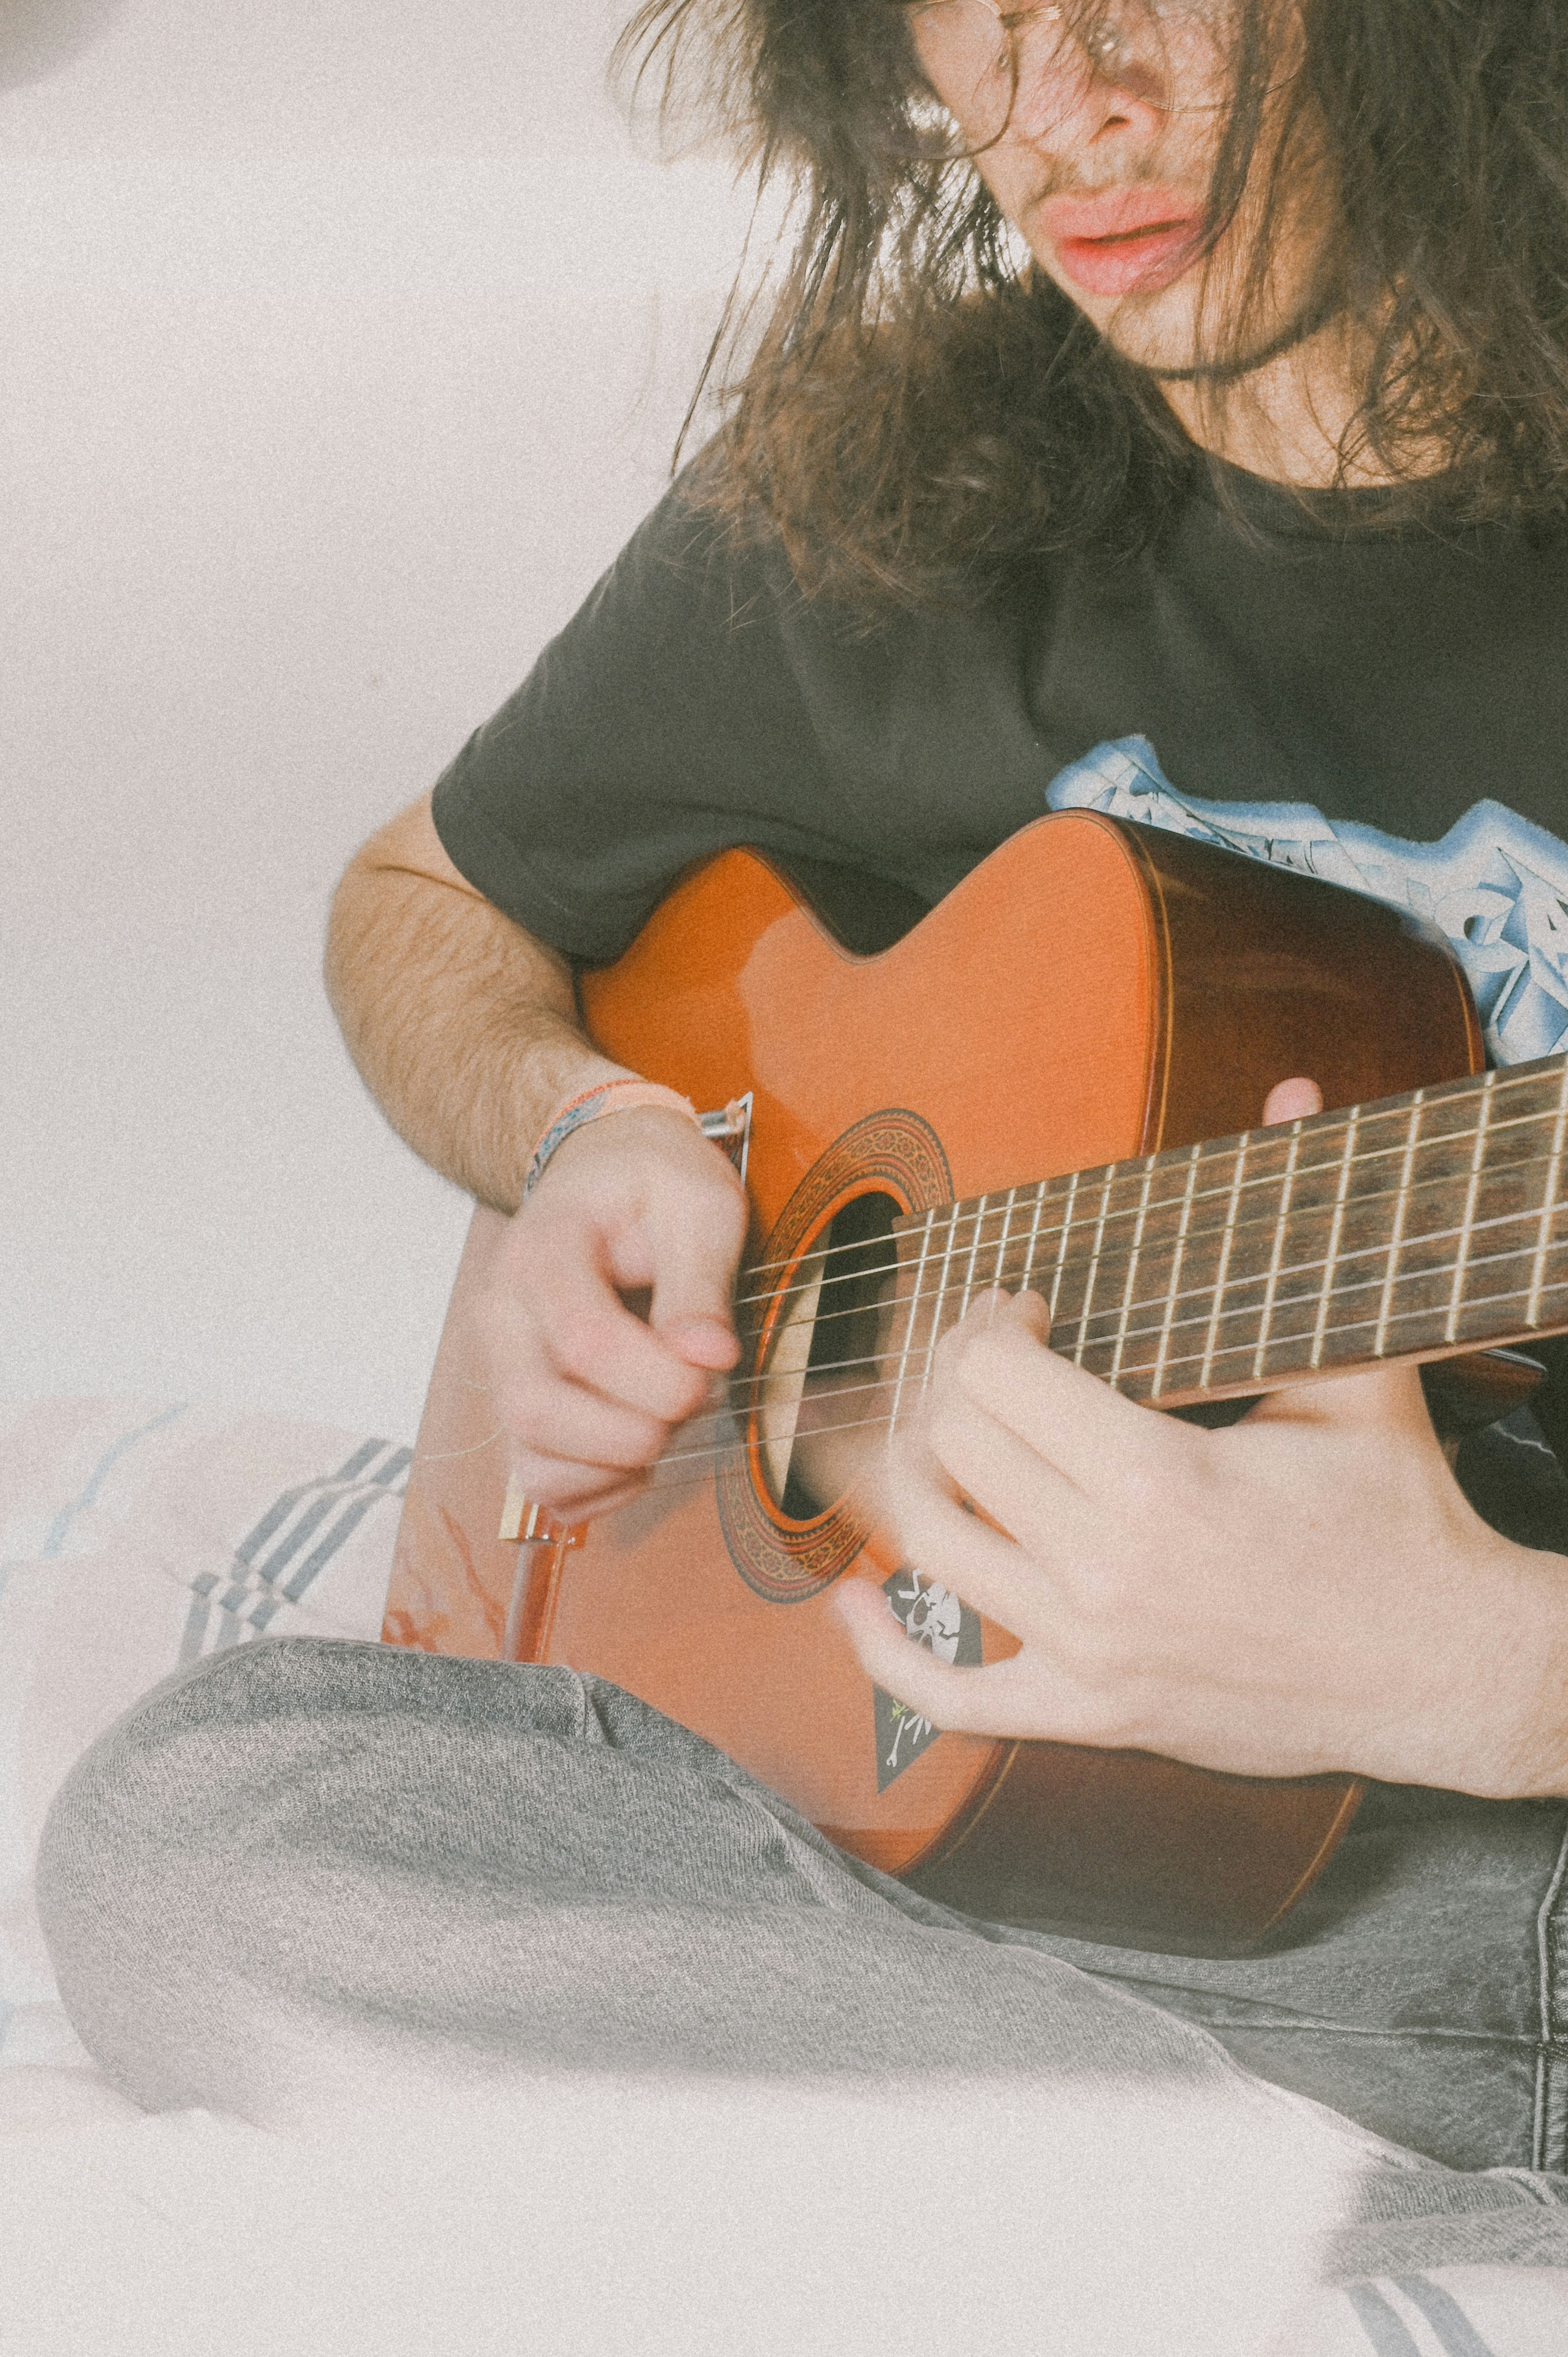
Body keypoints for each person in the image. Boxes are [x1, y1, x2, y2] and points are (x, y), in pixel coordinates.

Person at [36, 0, 1568, 2296]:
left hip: (1480, 1895)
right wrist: (585, 1126)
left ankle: (1008, 2178)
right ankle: (1159, 2192)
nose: (1067, 99)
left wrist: (1484, 1667)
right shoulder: (896, 484)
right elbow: (426, 901)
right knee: (194, 1828)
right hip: (941, 1826)